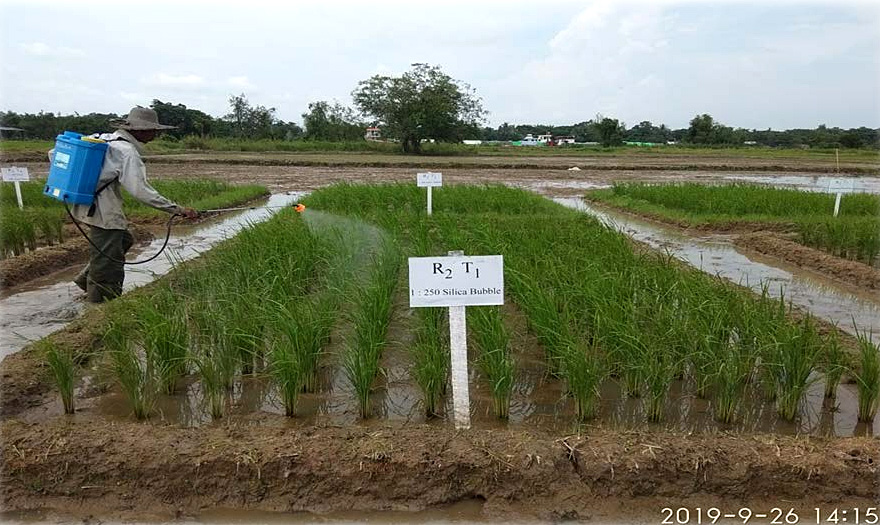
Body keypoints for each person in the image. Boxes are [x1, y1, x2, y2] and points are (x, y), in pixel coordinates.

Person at [59, 106, 198, 303]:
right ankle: (100, 305)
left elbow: (53, 153)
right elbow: (140, 191)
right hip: (102, 210)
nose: (155, 136)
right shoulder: (126, 151)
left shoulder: (103, 138)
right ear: (140, 130)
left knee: (124, 240)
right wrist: (177, 209)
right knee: (108, 263)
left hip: (81, 202)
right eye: (153, 131)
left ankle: (85, 281)